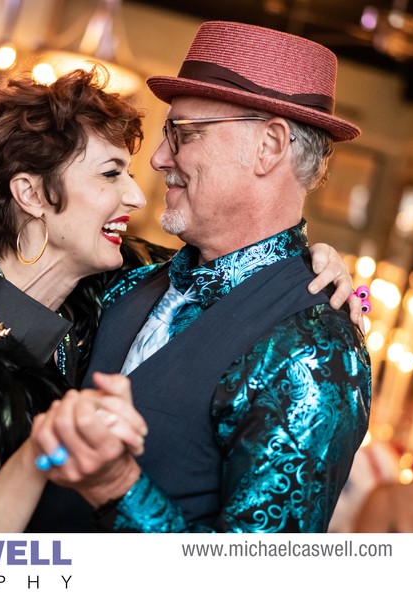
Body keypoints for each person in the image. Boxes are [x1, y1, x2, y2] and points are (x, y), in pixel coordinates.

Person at [0, 66, 360, 533]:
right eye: (110, 174)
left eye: (185, 133)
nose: (139, 185)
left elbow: (246, 265)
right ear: (31, 194)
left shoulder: (112, 283)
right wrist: (42, 452)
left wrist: (312, 265)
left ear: (270, 146)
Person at [27, 21, 372, 533]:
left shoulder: (316, 351)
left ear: (269, 146)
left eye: (183, 133)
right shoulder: (130, 272)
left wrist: (116, 485)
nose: (160, 157)